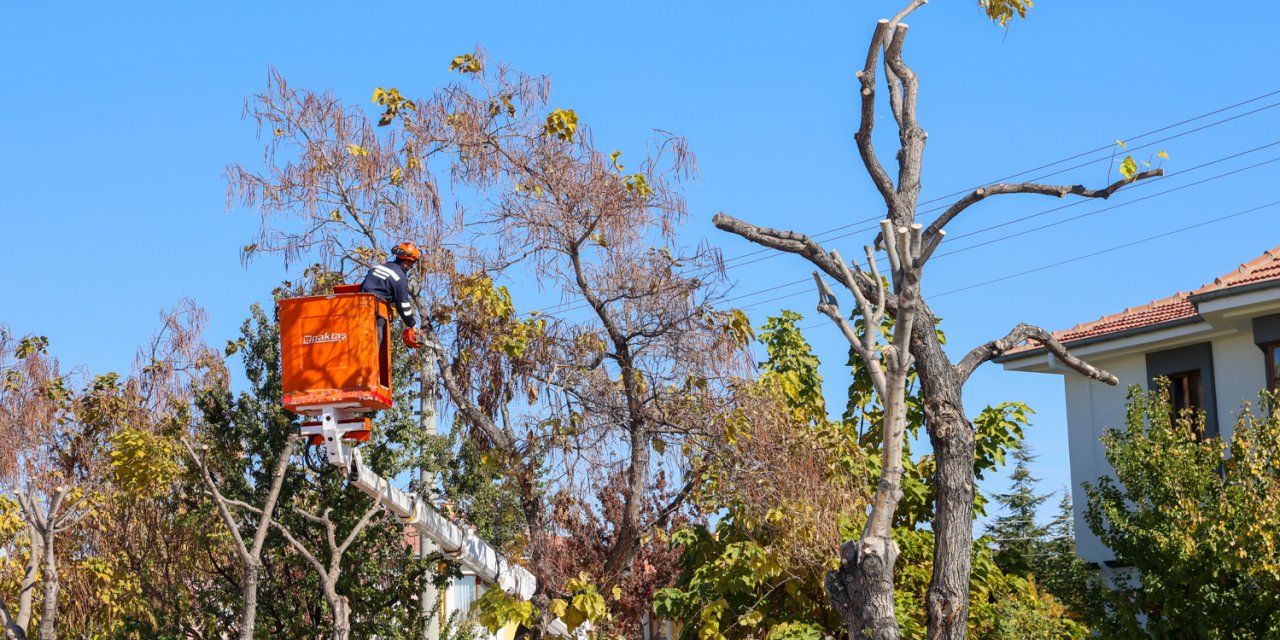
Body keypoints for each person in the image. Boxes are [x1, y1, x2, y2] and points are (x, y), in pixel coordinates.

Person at [361, 242, 422, 349]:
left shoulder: (377, 268)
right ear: (406, 262)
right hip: (376, 311)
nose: (411, 267)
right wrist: (412, 325)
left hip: (359, 308)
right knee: (377, 339)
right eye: (412, 263)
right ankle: (372, 365)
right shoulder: (399, 277)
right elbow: (403, 304)